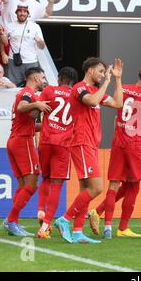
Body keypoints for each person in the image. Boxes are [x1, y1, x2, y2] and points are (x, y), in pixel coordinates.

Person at [93, 61, 141, 240]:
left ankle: (109, 228)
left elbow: (118, 107)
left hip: (118, 140)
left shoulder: (124, 88)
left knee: (116, 184)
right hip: (135, 143)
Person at [54, 57, 123, 244]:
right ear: (90, 71)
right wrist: (107, 82)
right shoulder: (79, 88)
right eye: (101, 71)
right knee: (97, 188)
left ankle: (77, 232)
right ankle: (65, 219)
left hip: (91, 144)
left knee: (85, 189)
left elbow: (118, 103)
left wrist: (117, 79)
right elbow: (92, 101)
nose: (103, 75)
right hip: (81, 142)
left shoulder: (95, 90)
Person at [2, 66, 51, 237]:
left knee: (23, 185)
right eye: (43, 78)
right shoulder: (28, 94)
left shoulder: (27, 94)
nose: (45, 81)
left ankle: (13, 222)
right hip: (23, 142)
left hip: (15, 141)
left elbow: (29, 118)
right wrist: (37, 103)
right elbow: (22, 107)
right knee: (31, 184)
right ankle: (10, 219)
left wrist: (46, 126)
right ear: (36, 78)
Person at [36, 66, 79, 239]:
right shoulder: (78, 97)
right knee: (57, 184)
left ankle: (40, 210)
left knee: (45, 178)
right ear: (73, 82)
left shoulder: (48, 90)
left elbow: (36, 112)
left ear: (60, 78)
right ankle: (45, 226)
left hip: (46, 141)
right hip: (63, 144)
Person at [4, 4, 45, 86]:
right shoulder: (9, 25)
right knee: (13, 86)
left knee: (33, 86)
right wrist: (3, 54)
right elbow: (3, 42)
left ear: (28, 14)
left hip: (31, 61)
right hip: (14, 61)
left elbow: (42, 47)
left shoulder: (35, 27)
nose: (22, 13)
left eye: (24, 11)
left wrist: (39, 41)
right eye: (20, 11)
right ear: (16, 13)